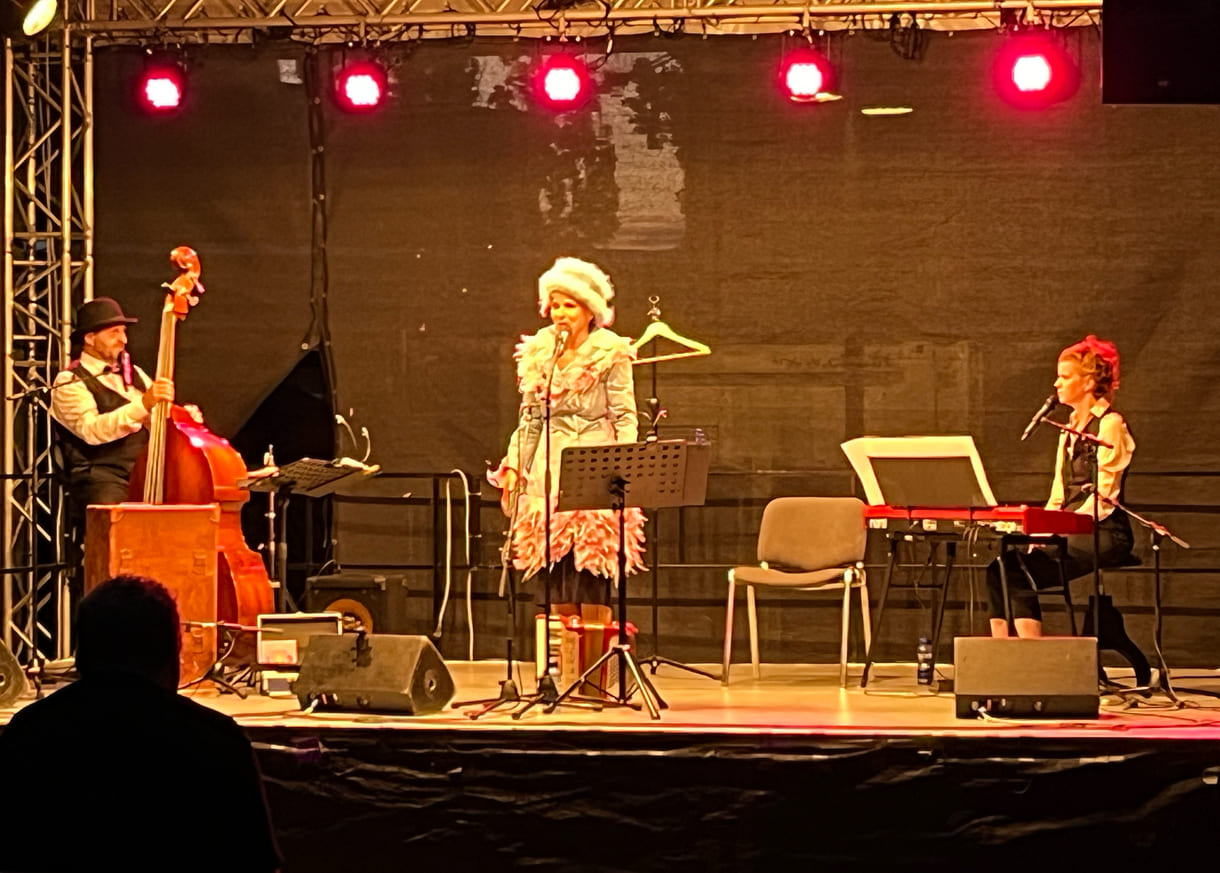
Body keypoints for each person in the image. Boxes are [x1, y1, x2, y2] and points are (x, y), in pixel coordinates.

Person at [0, 574, 281, 873]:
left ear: (81, 657)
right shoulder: (218, 741)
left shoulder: (29, 733)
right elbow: (257, 861)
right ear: (174, 655)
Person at [488, 257, 646, 629]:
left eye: (568, 305)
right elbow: (528, 419)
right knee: (556, 577)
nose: (559, 313)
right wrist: (514, 467)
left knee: (591, 572)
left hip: (595, 463)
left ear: (589, 310)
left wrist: (626, 467)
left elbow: (625, 416)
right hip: (548, 466)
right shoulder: (540, 350)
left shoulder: (611, 350)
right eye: (554, 305)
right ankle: (566, 670)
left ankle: (594, 673)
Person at [987, 335, 1136, 638]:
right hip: (1068, 527)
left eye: (1065, 377)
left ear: (1089, 382)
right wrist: (1041, 528)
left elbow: (1104, 499)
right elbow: (1058, 494)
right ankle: (1002, 658)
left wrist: (1059, 530)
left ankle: (1033, 661)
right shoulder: (1066, 431)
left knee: (1019, 571)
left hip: (1103, 531)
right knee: (1000, 567)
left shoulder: (1110, 425)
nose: (1056, 384)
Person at [50, 296, 174, 522]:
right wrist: (143, 404)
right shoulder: (69, 381)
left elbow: (156, 419)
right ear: (89, 338)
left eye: (123, 332)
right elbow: (93, 430)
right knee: (116, 520)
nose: (123, 340)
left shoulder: (134, 373)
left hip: (144, 473)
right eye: (114, 333)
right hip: (101, 476)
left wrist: (179, 416)